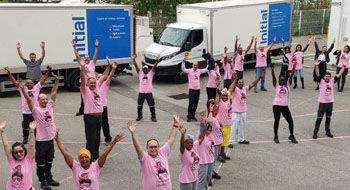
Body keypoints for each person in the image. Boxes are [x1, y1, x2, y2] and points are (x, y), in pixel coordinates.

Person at [20, 72, 60, 190]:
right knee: (41, 163)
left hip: (50, 140)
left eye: (46, 99)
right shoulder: (35, 110)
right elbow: (28, 98)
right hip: (41, 141)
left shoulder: (50, 107)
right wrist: (23, 90)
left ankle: (49, 177)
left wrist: (57, 81)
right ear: (38, 100)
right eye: (42, 99)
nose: (45, 101)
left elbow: (53, 92)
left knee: (49, 161)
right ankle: (43, 181)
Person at [54, 128, 124, 190]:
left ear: (90, 158)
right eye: (81, 157)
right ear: (79, 159)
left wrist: (114, 141)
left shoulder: (96, 166)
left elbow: (105, 153)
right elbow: (65, 153)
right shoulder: (75, 166)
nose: (84, 159)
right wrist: (57, 139)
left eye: (86, 157)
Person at [128, 114, 179, 190]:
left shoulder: (163, 152)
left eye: (155, 147)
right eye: (151, 147)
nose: (153, 149)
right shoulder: (145, 158)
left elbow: (171, 138)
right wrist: (133, 133)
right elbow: (137, 147)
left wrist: (176, 124)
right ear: (147, 149)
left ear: (158, 147)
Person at [4, 66, 50, 144]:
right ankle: (25, 138)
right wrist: (9, 74)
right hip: (26, 111)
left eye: (31, 83)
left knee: (35, 125)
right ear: (26, 83)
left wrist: (48, 72)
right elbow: (14, 81)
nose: (29, 84)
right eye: (28, 83)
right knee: (25, 126)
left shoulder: (37, 87)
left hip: (35, 110)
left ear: (33, 83)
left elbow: (43, 80)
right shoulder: (22, 88)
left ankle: (36, 137)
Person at [228, 72, 265, 147]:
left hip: (243, 111)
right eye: (239, 82)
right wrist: (235, 79)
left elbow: (253, 84)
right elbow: (231, 88)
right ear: (237, 83)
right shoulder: (235, 89)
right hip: (235, 112)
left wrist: (260, 78)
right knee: (234, 127)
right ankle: (230, 141)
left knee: (242, 126)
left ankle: (241, 139)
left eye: (242, 82)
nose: (241, 83)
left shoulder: (245, 89)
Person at [313, 59, 347, 139]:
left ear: (330, 77)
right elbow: (317, 74)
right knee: (319, 118)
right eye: (326, 76)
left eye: (328, 77)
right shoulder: (321, 81)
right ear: (324, 77)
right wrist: (317, 65)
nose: (327, 78)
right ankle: (315, 132)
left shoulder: (332, 81)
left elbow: (339, 74)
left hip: (330, 103)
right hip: (322, 103)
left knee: (328, 117)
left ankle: (327, 131)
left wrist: (344, 67)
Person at [1, 121, 36, 190]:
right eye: (16, 152)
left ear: (24, 151)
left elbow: (31, 145)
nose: (19, 154)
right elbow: (6, 145)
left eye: (20, 151)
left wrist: (32, 130)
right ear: (13, 153)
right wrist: (2, 130)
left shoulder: (29, 159)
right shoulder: (12, 160)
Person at [80, 61, 104, 161]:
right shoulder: (85, 91)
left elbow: (104, 77)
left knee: (97, 138)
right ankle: (89, 158)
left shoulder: (97, 88)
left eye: (94, 82)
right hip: (90, 118)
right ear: (87, 84)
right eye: (91, 83)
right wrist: (82, 69)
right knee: (91, 139)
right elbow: (82, 79)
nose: (93, 84)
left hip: (99, 118)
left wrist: (111, 67)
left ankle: (95, 154)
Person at [271, 62, 298, 144]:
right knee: (277, 121)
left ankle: (291, 135)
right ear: (279, 80)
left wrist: (293, 67)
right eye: (281, 80)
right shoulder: (276, 85)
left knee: (290, 121)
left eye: (283, 80)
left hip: (285, 106)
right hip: (276, 106)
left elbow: (292, 75)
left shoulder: (288, 85)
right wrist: (272, 69)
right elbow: (273, 77)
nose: (282, 81)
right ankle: (275, 136)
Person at [73, 39, 99, 116]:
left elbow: (95, 55)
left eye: (88, 57)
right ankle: (82, 110)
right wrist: (74, 47)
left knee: (94, 95)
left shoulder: (92, 63)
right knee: (83, 96)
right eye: (85, 57)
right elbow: (77, 56)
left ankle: (94, 107)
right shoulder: (82, 63)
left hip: (92, 83)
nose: (86, 58)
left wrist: (96, 47)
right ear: (83, 58)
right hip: (84, 83)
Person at [132, 54, 160, 122]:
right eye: (144, 69)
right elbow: (136, 66)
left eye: (146, 69)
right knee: (139, 105)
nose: (145, 70)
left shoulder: (151, 74)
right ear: (143, 69)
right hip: (141, 93)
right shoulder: (140, 74)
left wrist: (157, 61)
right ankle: (139, 116)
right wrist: (133, 60)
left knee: (151, 105)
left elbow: (154, 67)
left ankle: (153, 117)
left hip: (149, 93)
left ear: (148, 69)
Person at [97, 59, 118, 145]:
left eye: (100, 77)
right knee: (96, 125)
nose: (99, 79)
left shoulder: (105, 84)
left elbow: (110, 76)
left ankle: (108, 138)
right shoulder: (94, 86)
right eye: (98, 77)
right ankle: (96, 139)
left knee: (105, 124)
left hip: (103, 107)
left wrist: (113, 68)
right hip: (96, 108)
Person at [182, 57, 208, 122]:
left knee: (195, 104)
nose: (195, 66)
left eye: (196, 65)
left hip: (197, 90)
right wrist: (183, 62)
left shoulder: (199, 71)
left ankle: (193, 115)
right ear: (192, 65)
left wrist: (208, 63)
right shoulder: (189, 71)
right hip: (191, 89)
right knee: (191, 103)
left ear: (197, 66)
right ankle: (189, 116)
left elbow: (206, 69)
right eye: (194, 65)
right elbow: (183, 69)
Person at [197, 109, 215, 190]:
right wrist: (202, 116)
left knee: (207, 179)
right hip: (203, 162)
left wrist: (211, 111)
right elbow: (202, 126)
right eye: (207, 130)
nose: (208, 131)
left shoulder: (210, 136)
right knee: (201, 181)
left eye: (210, 130)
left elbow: (210, 122)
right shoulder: (202, 136)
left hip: (210, 161)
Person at [179, 126, 200, 190]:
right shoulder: (183, 152)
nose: (189, 144)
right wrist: (182, 135)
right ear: (184, 143)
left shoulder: (193, 149)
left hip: (194, 178)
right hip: (186, 180)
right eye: (187, 143)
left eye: (191, 143)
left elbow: (201, 138)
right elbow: (181, 145)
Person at [215, 81, 231, 159]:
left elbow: (231, 88)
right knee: (220, 141)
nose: (225, 97)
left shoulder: (228, 101)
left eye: (226, 96)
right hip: (221, 124)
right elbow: (217, 98)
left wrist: (234, 79)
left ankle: (222, 153)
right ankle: (218, 155)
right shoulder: (220, 102)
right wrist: (217, 87)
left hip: (228, 124)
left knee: (225, 140)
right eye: (223, 96)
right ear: (221, 96)